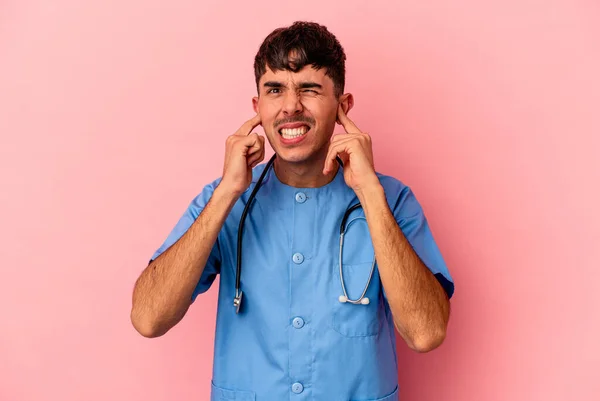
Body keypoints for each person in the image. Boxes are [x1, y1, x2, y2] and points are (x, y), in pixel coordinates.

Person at [131, 21, 454, 401]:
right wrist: (228, 192)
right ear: (257, 108)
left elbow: (426, 333)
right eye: (275, 90)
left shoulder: (392, 201)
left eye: (309, 89)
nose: (290, 107)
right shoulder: (224, 201)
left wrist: (369, 192)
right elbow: (148, 319)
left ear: (342, 107)